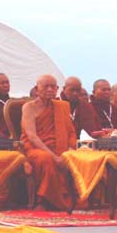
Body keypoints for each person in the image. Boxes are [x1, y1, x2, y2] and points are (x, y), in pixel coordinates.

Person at [21, 74, 77, 211]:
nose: (50, 89)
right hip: (35, 149)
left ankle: (77, 197)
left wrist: (70, 150)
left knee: (77, 158)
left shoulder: (62, 106)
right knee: (45, 159)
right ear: (36, 89)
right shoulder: (29, 107)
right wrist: (54, 156)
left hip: (60, 147)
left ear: (58, 89)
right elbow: (32, 136)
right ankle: (43, 200)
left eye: (53, 87)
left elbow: (71, 132)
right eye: (46, 86)